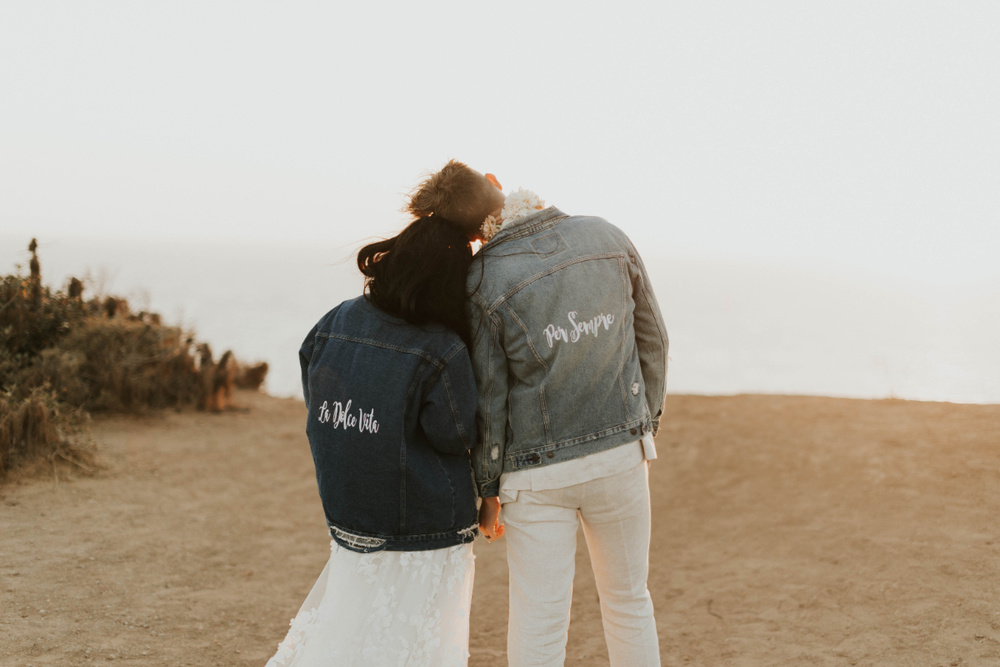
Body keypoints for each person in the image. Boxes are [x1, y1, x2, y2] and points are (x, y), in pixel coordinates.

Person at [410, 160, 669, 666]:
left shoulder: (481, 279)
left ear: (468, 234)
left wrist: (488, 489)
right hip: (620, 457)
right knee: (628, 601)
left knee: (539, 622)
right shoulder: (606, 235)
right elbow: (654, 339)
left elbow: (490, 398)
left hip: (533, 477)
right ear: (496, 184)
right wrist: (643, 424)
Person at [266, 215, 480, 666]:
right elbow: (454, 435)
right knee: (409, 642)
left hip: (348, 509)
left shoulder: (337, 318)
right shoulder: (442, 347)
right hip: (423, 520)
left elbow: (315, 387)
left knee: (351, 628)